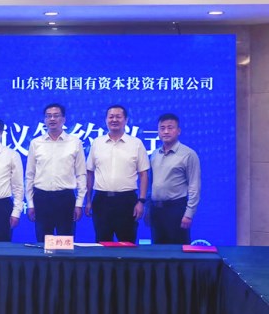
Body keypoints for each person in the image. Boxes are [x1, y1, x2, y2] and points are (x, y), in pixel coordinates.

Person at [85, 105, 149, 243]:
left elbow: (144, 174)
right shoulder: (97, 143)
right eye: (111, 117)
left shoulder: (136, 144)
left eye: (118, 117)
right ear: (106, 120)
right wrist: (88, 200)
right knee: (102, 243)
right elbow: (90, 173)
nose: (114, 120)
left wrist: (141, 201)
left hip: (127, 201)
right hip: (101, 200)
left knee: (127, 243)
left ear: (126, 120)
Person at [26, 103, 87, 242]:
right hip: (42, 198)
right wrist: (30, 203)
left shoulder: (74, 142)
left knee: (65, 242)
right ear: (44, 120)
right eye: (48, 116)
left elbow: (81, 174)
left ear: (63, 119)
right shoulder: (36, 143)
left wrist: (79, 203)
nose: (52, 119)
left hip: (65, 198)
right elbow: (30, 175)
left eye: (56, 115)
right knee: (42, 243)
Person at [148, 113, 201, 244]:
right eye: (162, 128)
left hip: (176, 210)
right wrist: (148, 209)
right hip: (156, 211)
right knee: (158, 251)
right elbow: (151, 184)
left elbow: (194, 186)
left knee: (178, 251)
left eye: (170, 128)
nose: (166, 131)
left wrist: (189, 214)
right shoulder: (155, 154)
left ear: (178, 131)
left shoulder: (188, 154)